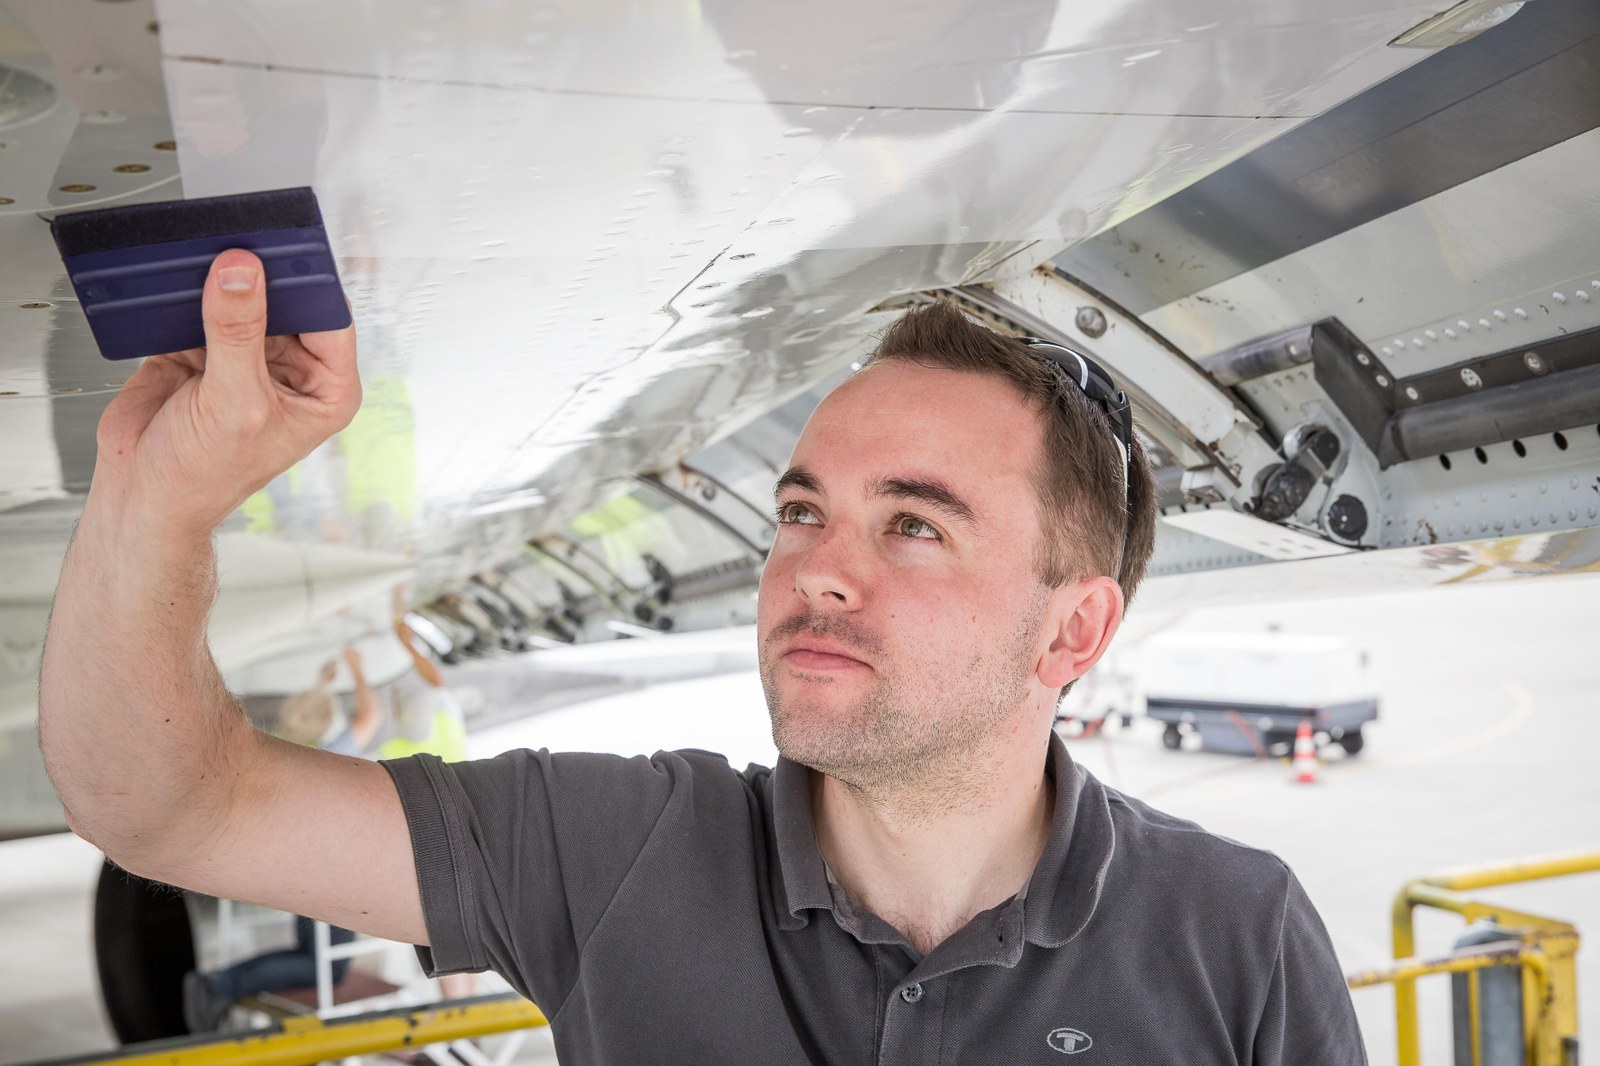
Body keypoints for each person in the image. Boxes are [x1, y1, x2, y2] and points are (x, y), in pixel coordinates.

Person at [40, 251, 1365, 1062]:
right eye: (802, 510)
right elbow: (164, 800)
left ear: (1072, 629)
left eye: (913, 520)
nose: (813, 567)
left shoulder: (1234, 933)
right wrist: (155, 498)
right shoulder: (615, 850)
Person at [181, 647, 382, 1031]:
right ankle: (219, 983)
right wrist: (357, 670)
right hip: (329, 878)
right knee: (331, 967)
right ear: (326, 723)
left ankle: (218, 984)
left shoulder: (283, 749)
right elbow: (371, 716)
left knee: (308, 954)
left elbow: (306, 713)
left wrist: (320, 684)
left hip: (296, 872)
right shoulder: (329, 754)